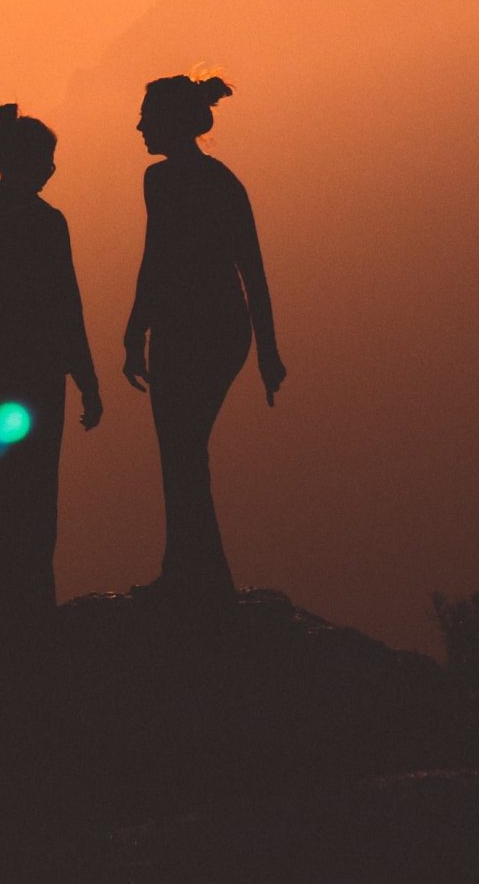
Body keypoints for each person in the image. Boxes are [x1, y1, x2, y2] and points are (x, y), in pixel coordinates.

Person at [0, 104, 102, 650]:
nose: (53, 168)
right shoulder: (44, 222)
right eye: (48, 158)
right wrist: (86, 378)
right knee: (34, 494)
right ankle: (31, 606)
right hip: (36, 382)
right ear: (29, 160)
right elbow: (66, 306)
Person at [122, 73, 283, 602]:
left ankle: (196, 577)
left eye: (147, 116)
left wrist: (269, 352)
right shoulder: (202, 181)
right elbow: (165, 259)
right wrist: (136, 331)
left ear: (170, 122)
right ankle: (193, 571)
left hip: (198, 329)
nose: (140, 126)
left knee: (182, 450)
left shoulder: (187, 182)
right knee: (182, 450)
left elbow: (243, 266)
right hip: (202, 327)